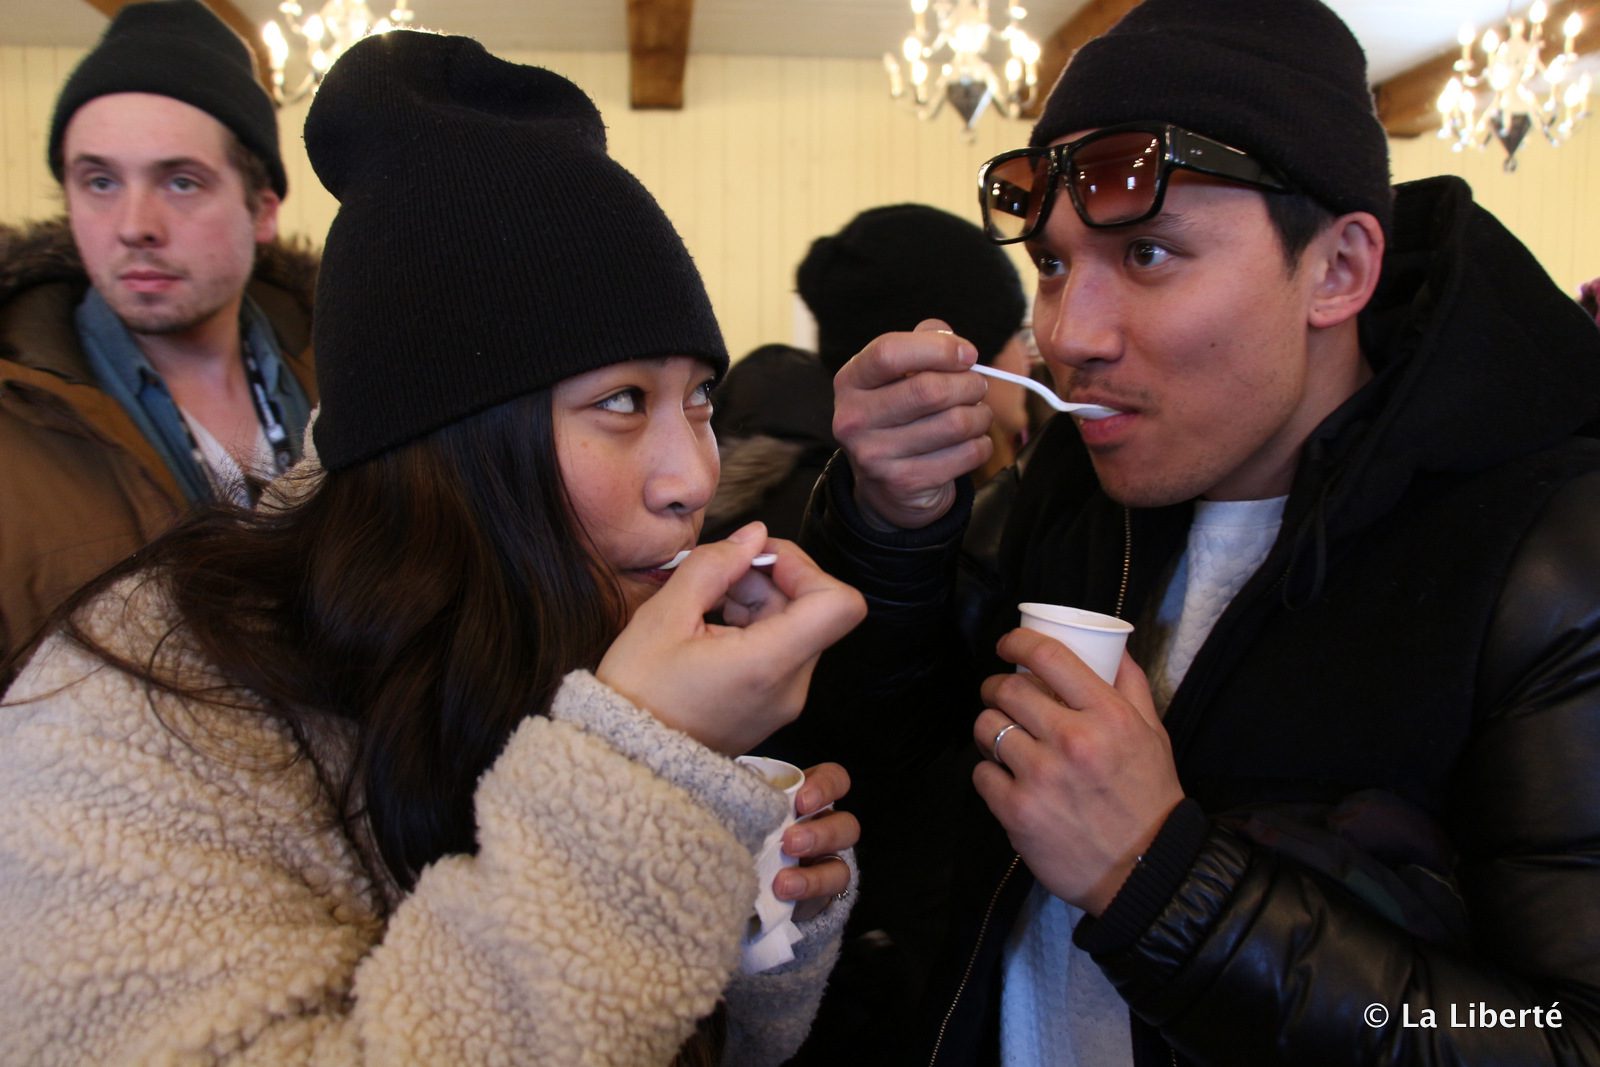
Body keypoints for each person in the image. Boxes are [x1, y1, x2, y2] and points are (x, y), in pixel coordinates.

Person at [0, 29, 868, 1066]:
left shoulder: (586, 615)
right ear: (447, 438)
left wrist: (743, 918)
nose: (691, 477)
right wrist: (644, 780)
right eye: (621, 400)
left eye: (700, 397)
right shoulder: (141, 711)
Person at [789, 0, 1600, 1063]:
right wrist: (892, 524)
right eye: (1053, 266)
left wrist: (1161, 881)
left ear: (1338, 270)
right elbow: (887, 766)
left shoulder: (1542, 552)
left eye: (1149, 253)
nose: (1068, 334)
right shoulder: (1066, 494)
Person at [0, 0, 317, 668]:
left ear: (261, 210)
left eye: (180, 181)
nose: (134, 225)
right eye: (100, 181)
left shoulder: (348, 378)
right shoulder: (15, 427)